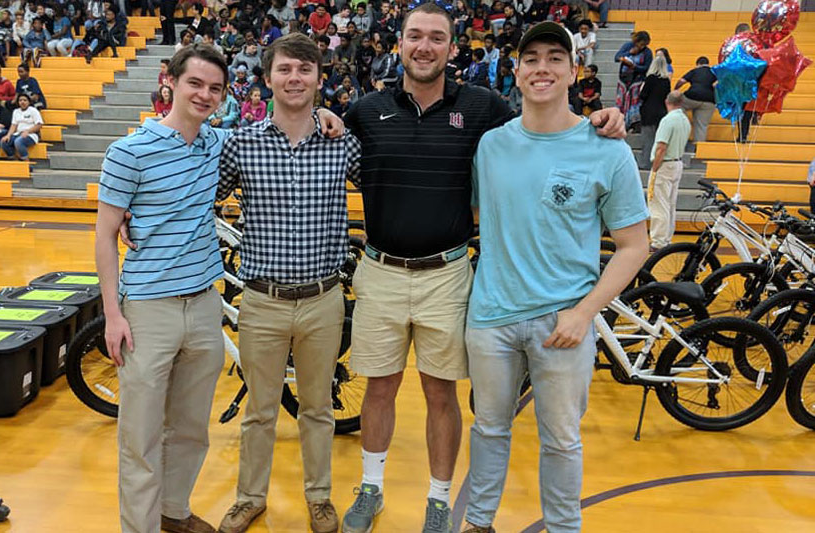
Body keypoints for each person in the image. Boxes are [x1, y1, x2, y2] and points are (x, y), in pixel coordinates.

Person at [339, 5, 625, 532]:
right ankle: (371, 488)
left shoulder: (484, 110)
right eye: (415, 36)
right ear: (398, 43)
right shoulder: (364, 110)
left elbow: (548, 122)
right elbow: (328, 135)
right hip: (381, 270)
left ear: (454, 48)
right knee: (380, 389)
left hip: (448, 273)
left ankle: (441, 500)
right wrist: (322, 117)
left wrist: (605, 117)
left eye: (437, 38)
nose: (425, 47)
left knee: (440, 392)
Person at [462, 22, 649, 533]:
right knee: (489, 430)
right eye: (531, 59)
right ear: (517, 72)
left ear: (574, 71)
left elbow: (635, 247)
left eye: (554, 58)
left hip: (564, 323)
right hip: (491, 318)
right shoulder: (491, 147)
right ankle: (478, 523)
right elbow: (485, 216)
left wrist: (584, 313)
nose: (542, 68)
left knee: (562, 440)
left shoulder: (606, 149)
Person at [215, 32, 361, 533]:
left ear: (320, 78)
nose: (294, 78)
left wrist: (344, 118)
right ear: (268, 78)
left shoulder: (342, 143)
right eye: (284, 70)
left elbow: (387, 179)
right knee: (259, 409)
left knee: (317, 408)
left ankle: (319, 497)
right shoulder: (241, 144)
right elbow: (201, 195)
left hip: (323, 299)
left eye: (304, 69)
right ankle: (249, 497)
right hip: (263, 299)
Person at [96, 43, 230, 533]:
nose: (204, 94)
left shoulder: (216, 144)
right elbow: (105, 236)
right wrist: (113, 314)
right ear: (169, 81)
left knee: (192, 428)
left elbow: (273, 129)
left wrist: (324, 112)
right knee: (141, 435)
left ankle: (173, 511)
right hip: (147, 310)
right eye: (195, 83)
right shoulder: (128, 152)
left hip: (204, 304)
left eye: (215, 88)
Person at [648, 91, 691, 250]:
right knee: (670, 204)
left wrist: (655, 168)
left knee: (659, 203)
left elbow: (661, 147)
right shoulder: (685, 120)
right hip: (677, 162)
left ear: (667, 101)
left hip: (665, 164)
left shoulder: (668, 120)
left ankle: (658, 241)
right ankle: (666, 238)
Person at [638, 54, 671, 170]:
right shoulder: (666, 81)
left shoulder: (650, 79)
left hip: (648, 112)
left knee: (647, 139)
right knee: (659, 140)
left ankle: (645, 163)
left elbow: (643, 95)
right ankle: (657, 163)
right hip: (661, 112)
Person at [614, 31, 652, 132]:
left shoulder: (647, 52)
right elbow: (617, 57)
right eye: (641, 44)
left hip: (637, 79)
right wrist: (629, 53)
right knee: (621, 101)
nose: (642, 46)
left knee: (634, 102)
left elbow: (646, 68)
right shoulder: (628, 46)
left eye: (644, 45)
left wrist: (635, 67)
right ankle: (620, 123)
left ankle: (635, 124)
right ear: (636, 41)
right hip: (623, 77)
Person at [675, 56, 716, 143]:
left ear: (698, 64)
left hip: (692, 96)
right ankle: (698, 147)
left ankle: (683, 123)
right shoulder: (714, 71)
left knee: (677, 104)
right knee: (702, 125)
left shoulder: (695, 71)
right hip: (709, 101)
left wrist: (676, 89)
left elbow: (682, 81)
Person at [0, 93, 42, 161]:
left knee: (18, 141)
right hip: (18, 133)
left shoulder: (33, 110)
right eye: (20, 100)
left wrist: (28, 131)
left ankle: (26, 160)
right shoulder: (16, 111)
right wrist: (8, 135)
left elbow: (39, 125)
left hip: (31, 134)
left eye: (25, 100)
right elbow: (14, 125)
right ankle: (13, 159)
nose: (22, 102)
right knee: (4, 142)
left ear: (29, 102)